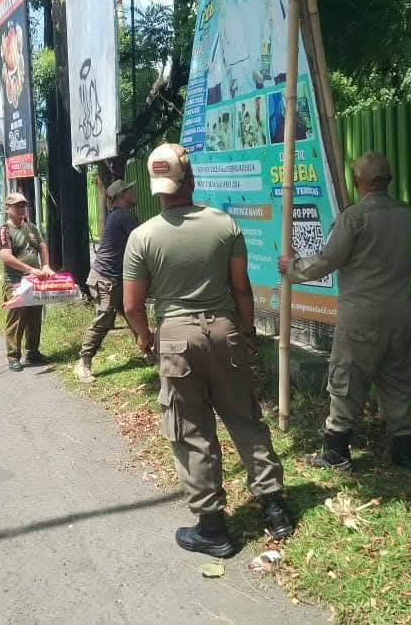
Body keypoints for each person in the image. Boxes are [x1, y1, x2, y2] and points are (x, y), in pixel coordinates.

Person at [123, 144, 293, 558]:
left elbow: (131, 305)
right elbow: (241, 288)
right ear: (190, 178)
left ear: (156, 186)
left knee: (191, 430)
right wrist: (247, 330)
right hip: (225, 332)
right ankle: (274, 508)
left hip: (177, 339)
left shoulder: (142, 237)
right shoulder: (224, 225)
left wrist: (145, 337)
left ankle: (213, 528)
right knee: (244, 417)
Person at [278, 151, 411, 469]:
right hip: (400, 314)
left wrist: (292, 267)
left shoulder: (354, 217)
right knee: (397, 382)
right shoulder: (406, 214)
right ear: (389, 180)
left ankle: (336, 451)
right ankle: (404, 452)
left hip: (361, 318)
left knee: (346, 381)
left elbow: (327, 260)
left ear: (358, 182)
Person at [76, 179, 141, 383]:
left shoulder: (117, 216)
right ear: (121, 195)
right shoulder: (122, 216)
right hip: (107, 279)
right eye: (129, 190)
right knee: (104, 319)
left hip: (113, 277)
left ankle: (149, 349)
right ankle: (83, 363)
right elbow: (145, 239)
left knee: (134, 313)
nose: (133, 192)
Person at [0, 191, 54, 372]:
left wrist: (45, 265)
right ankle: (13, 356)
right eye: (17, 206)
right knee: (16, 320)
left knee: (35, 317)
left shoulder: (31, 227)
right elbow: (6, 256)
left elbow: (42, 246)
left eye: (23, 205)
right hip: (15, 282)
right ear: (8, 209)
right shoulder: (4, 230)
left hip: (35, 282)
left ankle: (33, 351)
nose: (21, 209)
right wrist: (30, 269)